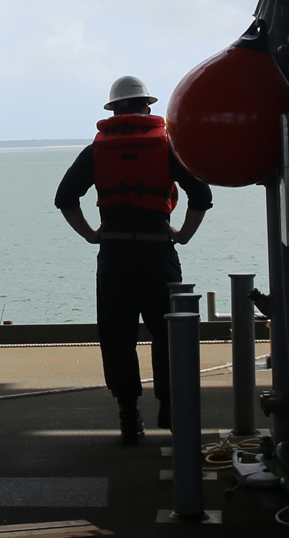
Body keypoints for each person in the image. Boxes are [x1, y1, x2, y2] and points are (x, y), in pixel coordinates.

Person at [55, 75, 213, 445]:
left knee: (117, 337)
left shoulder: (96, 150)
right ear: (147, 107)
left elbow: (65, 198)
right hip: (158, 253)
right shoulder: (165, 145)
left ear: (113, 110)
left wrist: (91, 234)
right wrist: (184, 234)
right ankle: (171, 409)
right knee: (168, 332)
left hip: (114, 256)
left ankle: (129, 415)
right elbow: (201, 194)